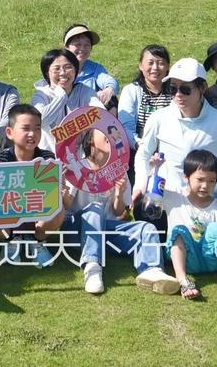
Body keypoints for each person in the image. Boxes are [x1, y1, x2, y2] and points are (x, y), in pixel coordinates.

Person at [132, 58, 217, 237]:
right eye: (172, 89)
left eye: (185, 89)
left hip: (205, 198)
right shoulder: (159, 118)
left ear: (202, 88)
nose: (178, 95)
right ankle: (202, 230)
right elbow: (144, 153)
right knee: (143, 208)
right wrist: (141, 183)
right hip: (170, 196)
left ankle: (197, 229)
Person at [67, 126, 177, 295]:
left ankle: (152, 269)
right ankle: (92, 267)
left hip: (106, 230)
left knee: (145, 228)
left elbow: (119, 213)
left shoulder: (118, 170)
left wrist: (118, 194)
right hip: (79, 229)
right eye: (104, 136)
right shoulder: (77, 167)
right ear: (91, 141)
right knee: (94, 210)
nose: (110, 139)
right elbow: (66, 205)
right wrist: (64, 187)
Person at [167, 150, 217, 299]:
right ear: (186, 177)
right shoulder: (173, 198)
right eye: (200, 179)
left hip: (213, 259)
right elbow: (152, 194)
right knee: (178, 230)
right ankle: (182, 279)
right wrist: (153, 167)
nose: (205, 186)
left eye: (211, 181)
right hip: (188, 258)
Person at [0, 104, 62, 267]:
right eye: (26, 128)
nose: (32, 134)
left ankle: (37, 241)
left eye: (37, 129)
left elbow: (51, 194)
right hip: (9, 216)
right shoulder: (1, 160)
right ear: (10, 132)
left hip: (37, 216)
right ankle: (10, 241)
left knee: (58, 207)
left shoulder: (47, 158)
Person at [31, 48, 101, 151]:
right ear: (47, 72)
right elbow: (41, 121)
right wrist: (60, 97)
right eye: (56, 69)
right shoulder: (40, 95)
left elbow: (101, 114)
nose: (63, 73)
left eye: (68, 67)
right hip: (49, 158)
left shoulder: (86, 92)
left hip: (81, 158)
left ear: (75, 70)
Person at [116, 45, 173, 153]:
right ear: (141, 66)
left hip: (170, 149)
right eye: (150, 63)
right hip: (139, 148)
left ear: (167, 67)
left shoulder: (176, 91)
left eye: (161, 63)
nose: (155, 67)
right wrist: (141, 146)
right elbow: (125, 127)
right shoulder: (131, 91)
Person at [62, 24, 120, 108]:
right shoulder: (58, 69)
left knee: (112, 101)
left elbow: (110, 81)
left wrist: (108, 90)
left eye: (87, 45)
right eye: (77, 44)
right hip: (62, 116)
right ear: (66, 47)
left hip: (88, 117)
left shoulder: (95, 69)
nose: (82, 48)